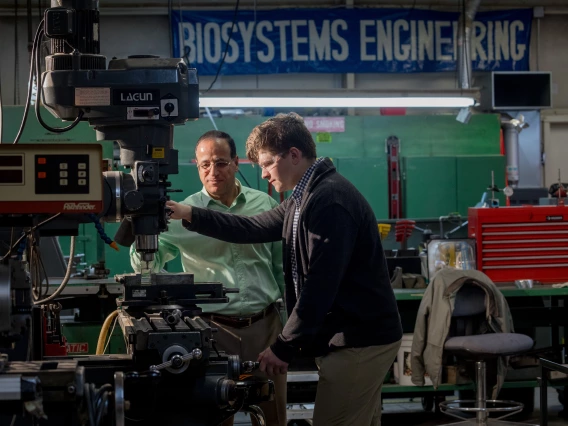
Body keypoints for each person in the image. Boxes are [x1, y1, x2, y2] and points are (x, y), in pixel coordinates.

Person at [165, 113, 403, 426]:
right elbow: (249, 228)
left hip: (359, 341)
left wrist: (283, 346)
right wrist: (185, 212)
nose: (262, 175)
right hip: (352, 338)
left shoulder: (329, 200)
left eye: (266, 164)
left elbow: (320, 286)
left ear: (293, 155)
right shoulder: (302, 198)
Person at [130, 130, 287, 426]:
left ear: (236, 162)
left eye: (221, 163)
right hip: (212, 332)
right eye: (204, 165)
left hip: (265, 328)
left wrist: (289, 331)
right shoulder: (181, 214)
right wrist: (141, 236)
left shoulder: (263, 205)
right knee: (214, 416)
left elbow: (280, 268)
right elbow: (148, 265)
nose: (212, 172)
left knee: (273, 415)